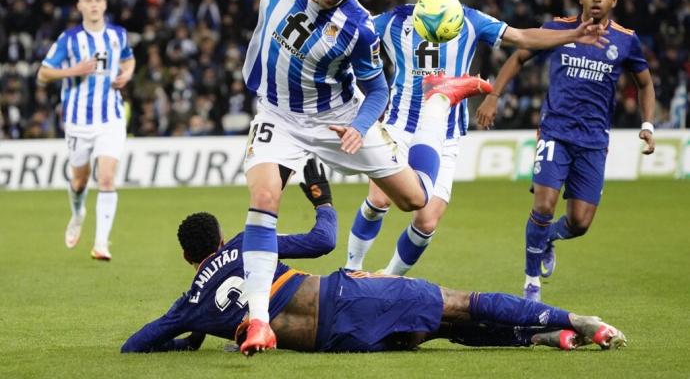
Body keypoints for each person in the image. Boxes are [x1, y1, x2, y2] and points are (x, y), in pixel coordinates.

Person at [218, 0, 498, 354]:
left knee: (415, 201)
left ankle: (439, 103)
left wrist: (360, 127)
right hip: (279, 114)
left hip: (341, 119)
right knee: (264, 200)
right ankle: (259, 320)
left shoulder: (359, 27)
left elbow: (377, 92)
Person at [121, 159, 627, 355]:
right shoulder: (246, 244)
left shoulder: (190, 302)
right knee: (461, 303)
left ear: (191, 259)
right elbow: (323, 239)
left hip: (340, 343)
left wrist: (188, 338)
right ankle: (577, 320)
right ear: (221, 237)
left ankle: (540, 335)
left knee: (440, 331)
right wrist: (320, 196)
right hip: (345, 296)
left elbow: (134, 346)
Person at [345, 0, 610, 275]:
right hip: (400, 126)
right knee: (380, 198)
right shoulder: (391, 21)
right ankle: (351, 268)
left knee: (427, 221)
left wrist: (572, 35)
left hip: (446, 133)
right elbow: (348, 36)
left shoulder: (469, 20)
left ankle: (387, 280)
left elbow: (522, 38)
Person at [476, 0, 656, 301]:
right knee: (543, 205)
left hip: (594, 140)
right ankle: (531, 283)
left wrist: (647, 124)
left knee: (580, 223)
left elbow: (644, 83)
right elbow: (519, 57)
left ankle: (548, 240)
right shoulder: (557, 28)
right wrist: (493, 95)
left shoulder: (626, 40)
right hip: (555, 132)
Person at [37, 0, 135, 261]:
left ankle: (101, 243)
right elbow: (43, 74)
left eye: (98, 0)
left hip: (111, 118)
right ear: (80, 5)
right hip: (78, 120)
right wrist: (74, 71)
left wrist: (126, 74)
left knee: (106, 178)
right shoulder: (69, 39)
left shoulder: (118, 35)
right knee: (79, 181)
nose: (94, 4)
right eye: (88, 0)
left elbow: (128, 59)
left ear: (104, 4)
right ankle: (78, 212)